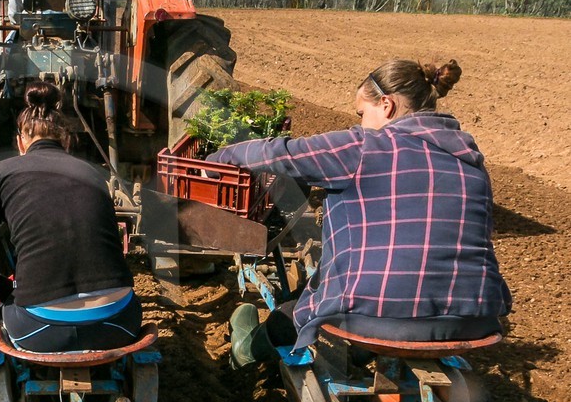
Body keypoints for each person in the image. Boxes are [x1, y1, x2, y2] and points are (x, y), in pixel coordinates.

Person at [216, 58, 511, 364]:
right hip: (477, 320)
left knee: (307, 307)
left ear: (386, 105)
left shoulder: (364, 147)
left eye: (361, 113)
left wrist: (219, 158)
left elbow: (281, 153)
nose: (359, 123)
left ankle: (247, 350)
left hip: (378, 315)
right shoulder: (471, 162)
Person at [0, 83, 141, 352]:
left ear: (20, 142)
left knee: (6, 316)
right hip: (119, 324)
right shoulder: (93, 175)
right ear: (66, 141)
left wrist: (7, 293)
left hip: (41, 330)